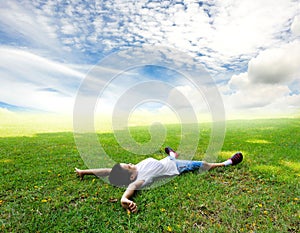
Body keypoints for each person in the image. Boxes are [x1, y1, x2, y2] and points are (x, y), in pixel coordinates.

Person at [75, 147, 243, 213]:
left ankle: (171, 154)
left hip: (167, 161)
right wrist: (124, 199)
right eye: (128, 166)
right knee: (203, 164)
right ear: (131, 176)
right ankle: (226, 163)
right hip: (177, 167)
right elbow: (131, 189)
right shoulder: (139, 179)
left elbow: (106, 171)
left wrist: (84, 171)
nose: (129, 163)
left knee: (170, 157)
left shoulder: (136, 169)